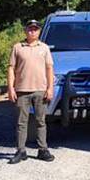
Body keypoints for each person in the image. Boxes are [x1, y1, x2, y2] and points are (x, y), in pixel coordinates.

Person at [7, 20, 55, 165]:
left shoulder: (44, 48)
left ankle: (43, 149)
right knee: (22, 122)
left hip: (40, 89)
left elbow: (49, 68)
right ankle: (21, 151)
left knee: (41, 121)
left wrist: (50, 88)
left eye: (35, 29)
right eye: (30, 29)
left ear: (39, 31)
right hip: (22, 90)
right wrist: (10, 88)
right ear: (25, 31)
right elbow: (11, 68)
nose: (32, 32)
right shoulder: (17, 47)